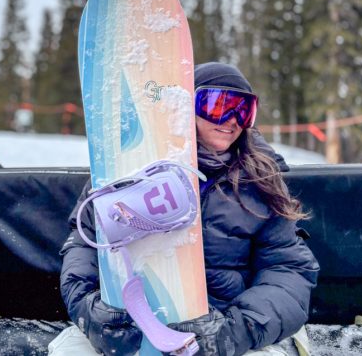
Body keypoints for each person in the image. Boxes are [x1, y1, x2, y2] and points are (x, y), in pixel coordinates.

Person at [49, 62, 320, 356]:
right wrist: (92, 312)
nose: (232, 121)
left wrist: (230, 333)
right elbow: (84, 244)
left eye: (244, 110)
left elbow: (288, 269)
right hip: (133, 320)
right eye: (218, 105)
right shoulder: (127, 168)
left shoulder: (259, 181)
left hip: (223, 324)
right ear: (184, 106)